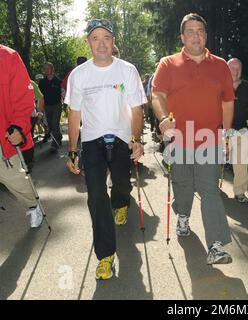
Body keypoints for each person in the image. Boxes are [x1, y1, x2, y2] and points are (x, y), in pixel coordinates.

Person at [65, 19, 145, 280]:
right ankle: (105, 255)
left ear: (113, 42)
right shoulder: (79, 75)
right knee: (96, 196)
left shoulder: (127, 70)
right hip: (91, 142)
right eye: (95, 38)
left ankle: (122, 201)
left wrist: (136, 139)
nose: (101, 43)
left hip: (121, 138)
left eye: (106, 38)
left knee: (121, 184)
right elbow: (74, 113)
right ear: (88, 42)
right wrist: (73, 150)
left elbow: (136, 109)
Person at [152, 13, 235, 265]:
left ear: (206, 35)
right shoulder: (168, 63)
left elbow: (228, 101)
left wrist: (226, 133)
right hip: (179, 141)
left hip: (209, 140)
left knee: (210, 190)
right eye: (190, 31)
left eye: (200, 30)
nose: (196, 35)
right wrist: (164, 118)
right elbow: (157, 95)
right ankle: (183, 215)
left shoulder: (220, 65)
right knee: (183, 186)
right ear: (182, 36)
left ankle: (216, 245)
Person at [0, 44, 43, 228]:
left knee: (13, 178)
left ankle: (34, 206)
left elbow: (24, 97)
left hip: (3, 136)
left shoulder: (8, 57)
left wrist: (19, 126)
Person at [227, 58, 248, 203]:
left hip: (241, 129)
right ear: (226, 69)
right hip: (221, 130)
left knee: (241, 162)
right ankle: (211, 187)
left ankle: (240, 192)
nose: (235, 71)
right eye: (232, 68)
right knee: (215, 160)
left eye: (238, 68)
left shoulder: (246, 87)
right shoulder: (219, 84)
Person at [38, 62, 63, 152]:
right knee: (50, 125)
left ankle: (55, 144)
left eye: (48, 68)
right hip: (47, 106)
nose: (47, 70)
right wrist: (40, 110)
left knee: (54, 123)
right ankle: (58, 137)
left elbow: (63, 94)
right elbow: (40, 97)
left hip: (57, 105)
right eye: (45, 69)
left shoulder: (59, 81)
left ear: (52, 69)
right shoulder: (42, 83)